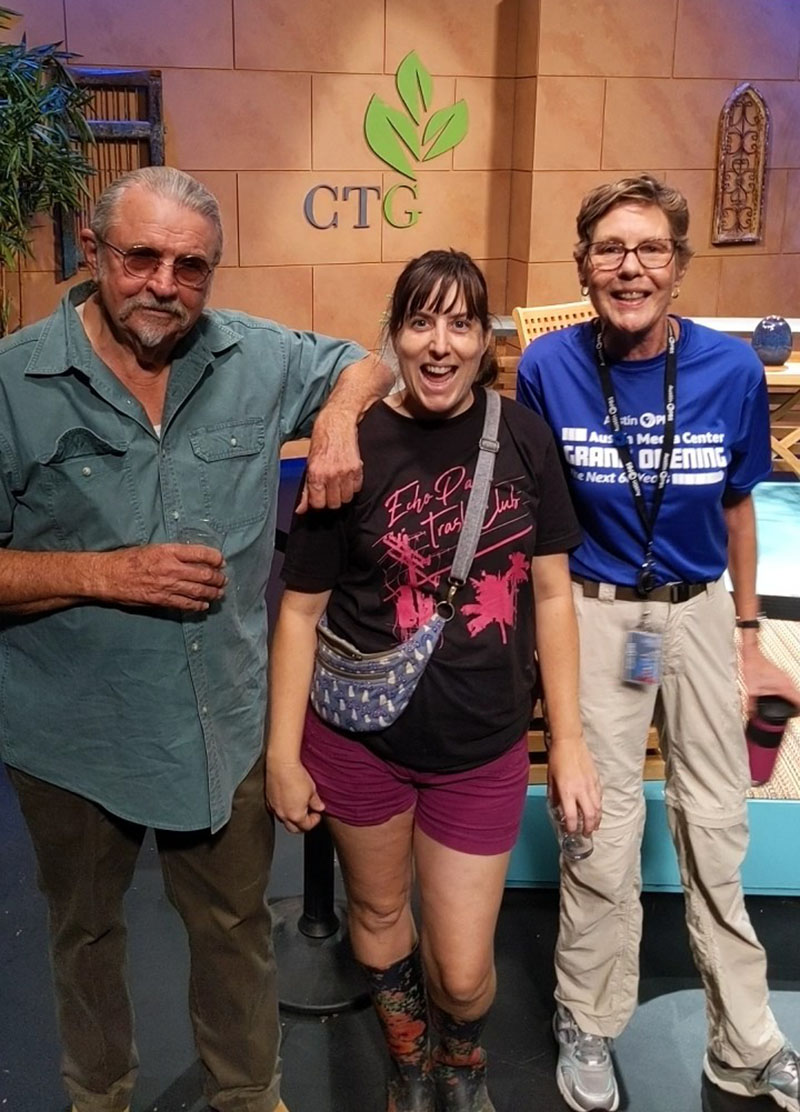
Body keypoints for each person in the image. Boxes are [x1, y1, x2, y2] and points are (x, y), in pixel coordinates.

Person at [0, 166, 393, 1112]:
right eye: (141, 256)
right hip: (70, 734)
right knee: (84, 935)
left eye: (191, 265)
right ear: (94, 253)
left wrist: (338, 416)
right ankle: (98, 1097)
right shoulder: (13, 381)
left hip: (223, 724)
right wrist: (106, 572)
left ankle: (247, 1095)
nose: (163, 284)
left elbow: (367, 359)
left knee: (234, 929)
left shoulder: (255, 357)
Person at [266, 249, 602, 1112]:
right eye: (421, 321)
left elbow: (555, 598)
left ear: (485, 338)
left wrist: (567, 742)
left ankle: (463, 1058)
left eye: (460, 322)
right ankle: (411, 1063)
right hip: (356, 743)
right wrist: (281, 754)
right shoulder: (350, 450)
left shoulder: (525, 439)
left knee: (461, 966)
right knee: (378, 922)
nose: (440, 343)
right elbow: (300, 612)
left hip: (479, 745)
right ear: (396, 334)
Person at [516, 174, 800, 1112]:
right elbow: (535, 521)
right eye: (609, 249)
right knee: (597, 829)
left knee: (717, 828)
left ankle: (747, 1042)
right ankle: (588, 1022)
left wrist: (752, 637)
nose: (628, 267)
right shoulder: (548, 369)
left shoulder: (727, 371)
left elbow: (738, 509)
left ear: (677, 267)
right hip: (597, 615)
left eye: (649, 250)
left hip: (697, 611)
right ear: (583, 264)